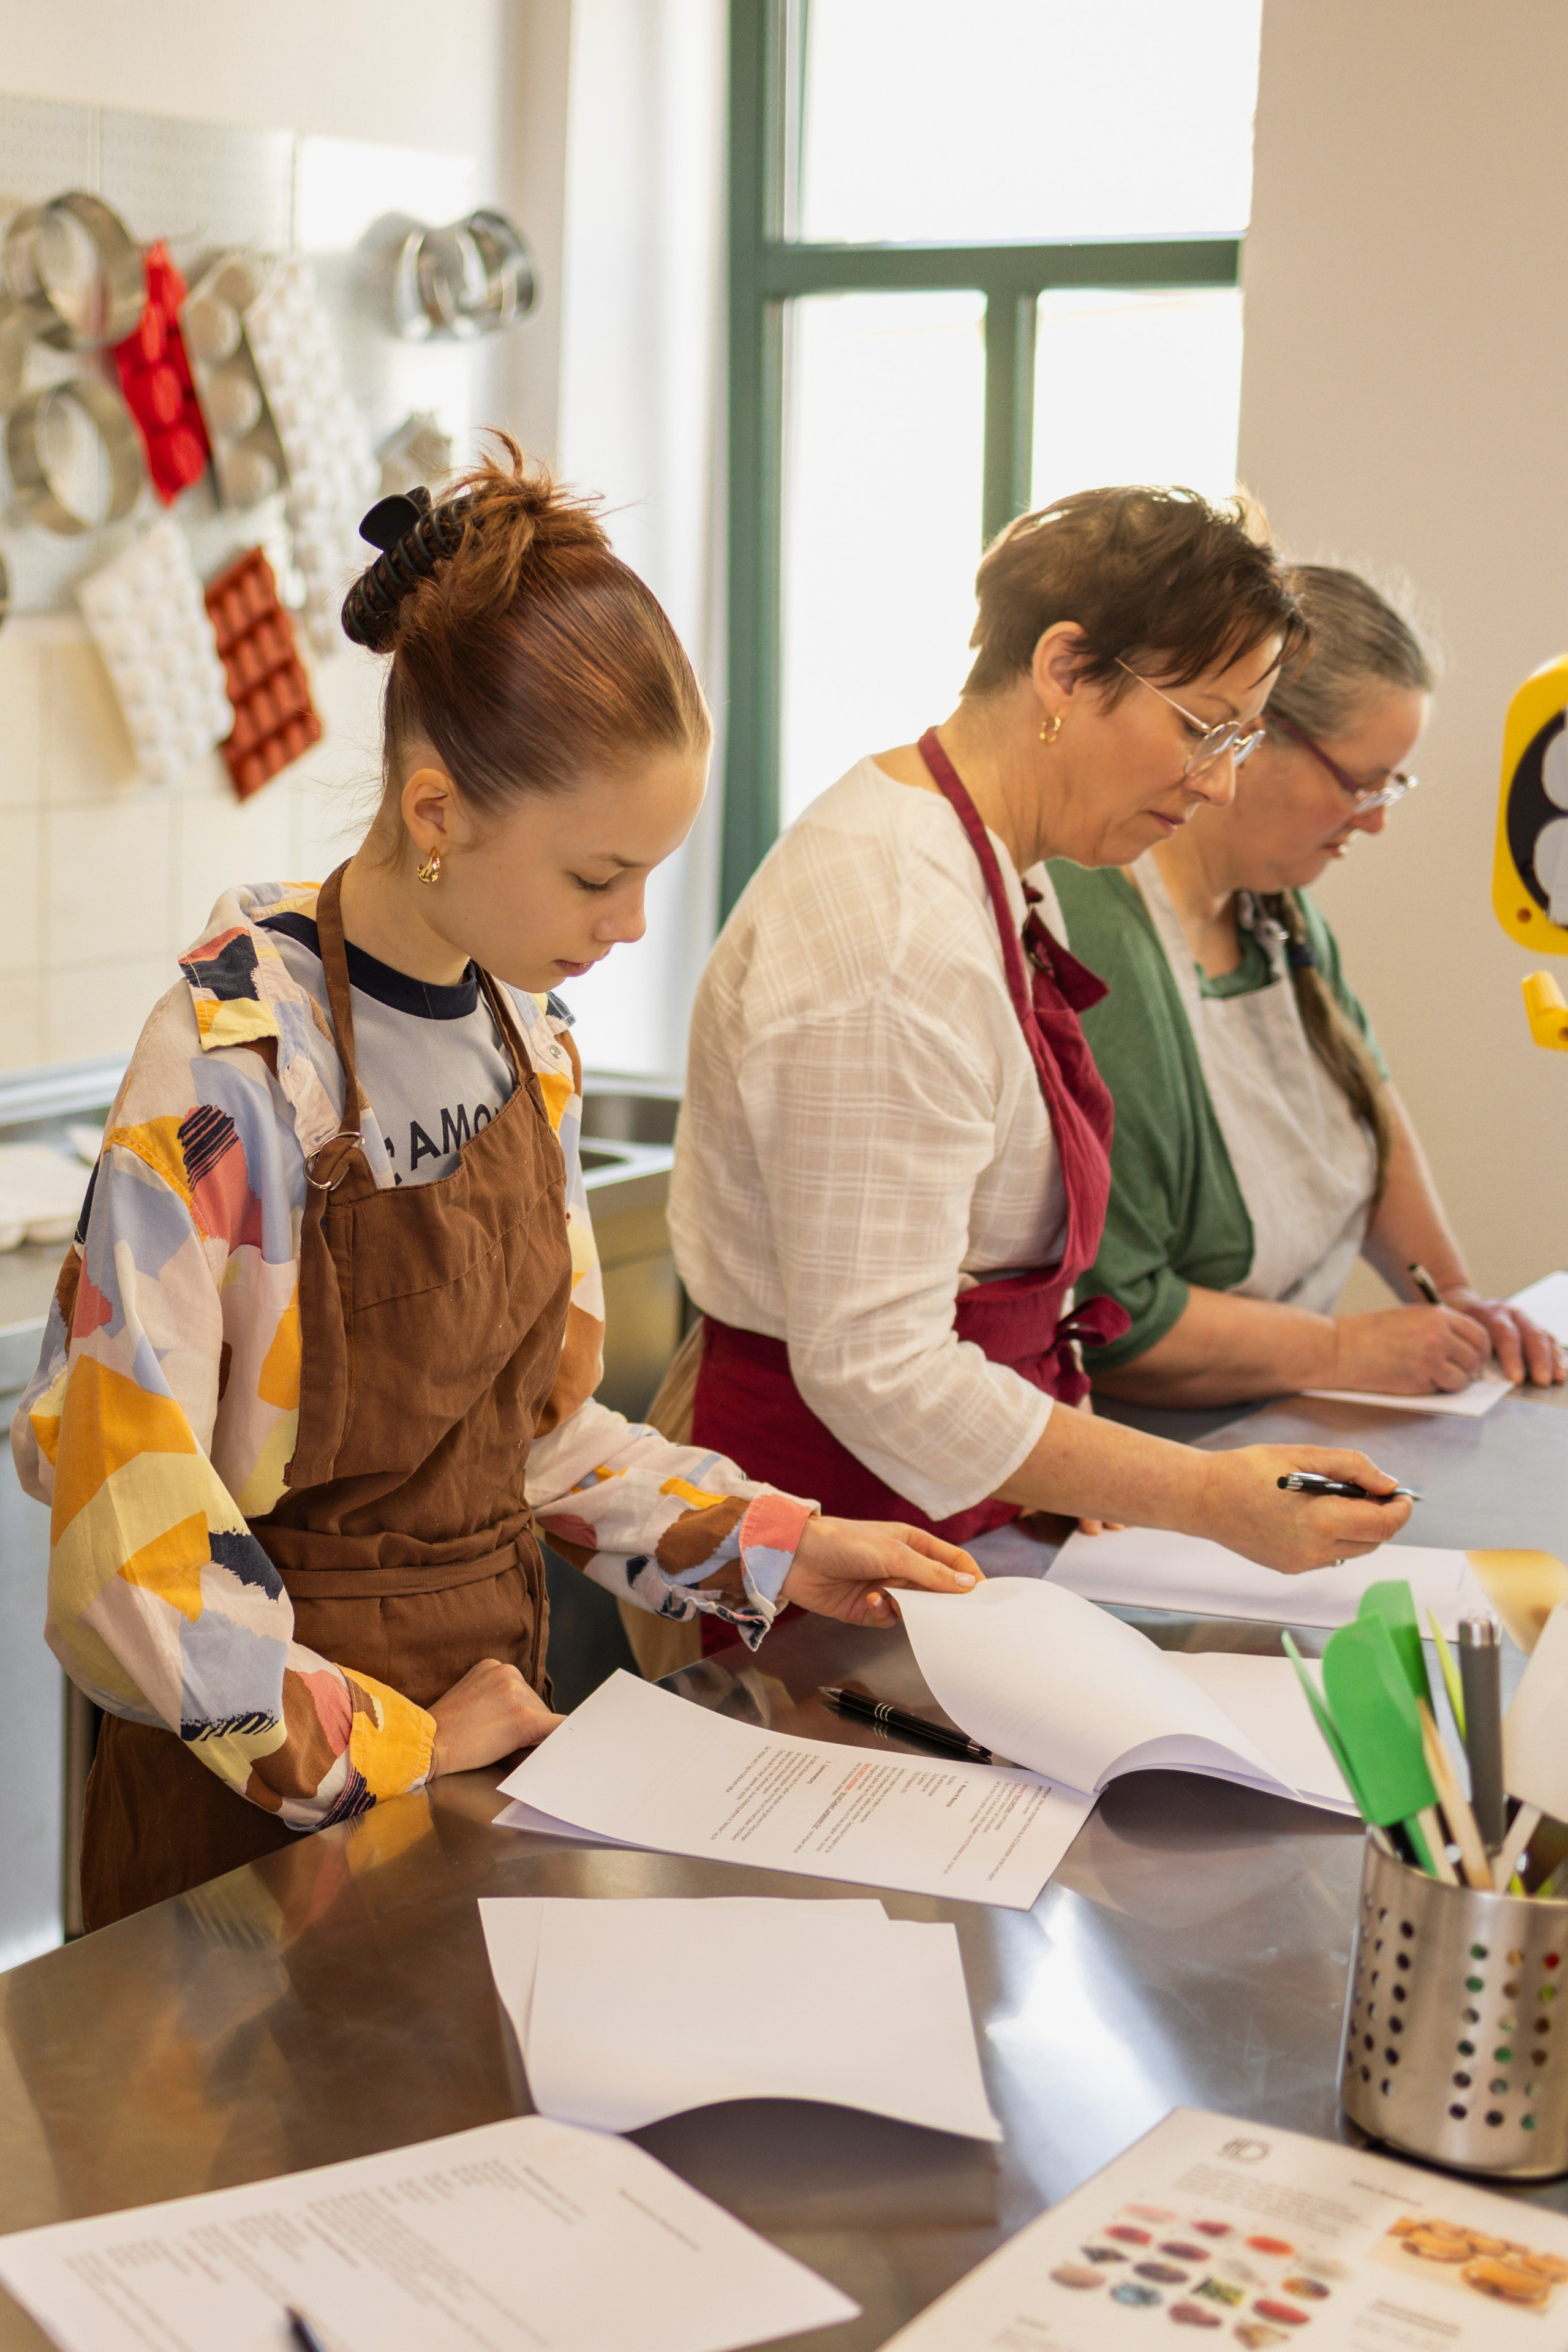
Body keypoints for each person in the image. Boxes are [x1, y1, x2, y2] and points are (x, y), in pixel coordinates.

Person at [9, 445, 984, 1929]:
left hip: (487, 1739)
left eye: (650, 873)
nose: (631, 924)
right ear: (436, 811)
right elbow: (117, 1537)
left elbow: (534, 1440)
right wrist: (394, 1742)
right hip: (256, 1813)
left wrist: (779, 1547)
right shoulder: (233, 1071)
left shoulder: (524, 1037)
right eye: (597, 878)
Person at [667, 488, 1412, 1580]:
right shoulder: (890, 930)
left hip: (954, 1500)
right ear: (1065, 669)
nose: (1218, 782)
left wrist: (1060, 1460)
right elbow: (880, 1366)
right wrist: (1199, 1494)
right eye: (1205, 727)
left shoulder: (994, 861)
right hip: (831, 1520)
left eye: (1243, 738)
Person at [1049, 564, 1567, 1408]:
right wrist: (1338, 1349)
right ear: (1256, 737)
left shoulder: (1280, 917)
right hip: (1142, 1449)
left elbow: (1368, 1110)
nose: (1377, 819)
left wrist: (1457, 1299)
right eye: (1362, 782)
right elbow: (1118, 1323)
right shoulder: (1104, 935)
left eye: (1393, 783)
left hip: (1269, 1415)